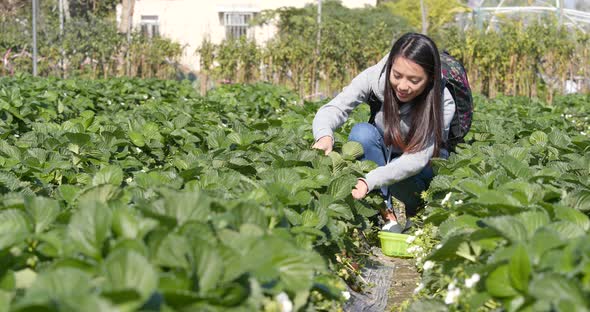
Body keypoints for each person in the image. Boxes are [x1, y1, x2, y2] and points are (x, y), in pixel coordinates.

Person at [311, 33, 456, 233]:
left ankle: (418, 212)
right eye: (397, 75)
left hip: (419, 168)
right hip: (385, 152)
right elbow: (334, 108)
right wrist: (324, 136)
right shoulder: (374, 77)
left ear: (430, 78)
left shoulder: (443, 102)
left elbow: (415, 160)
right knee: (362, 134)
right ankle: (385, 214)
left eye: (414, 80)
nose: (403, 86)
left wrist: (369, 180)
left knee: (404, 177)